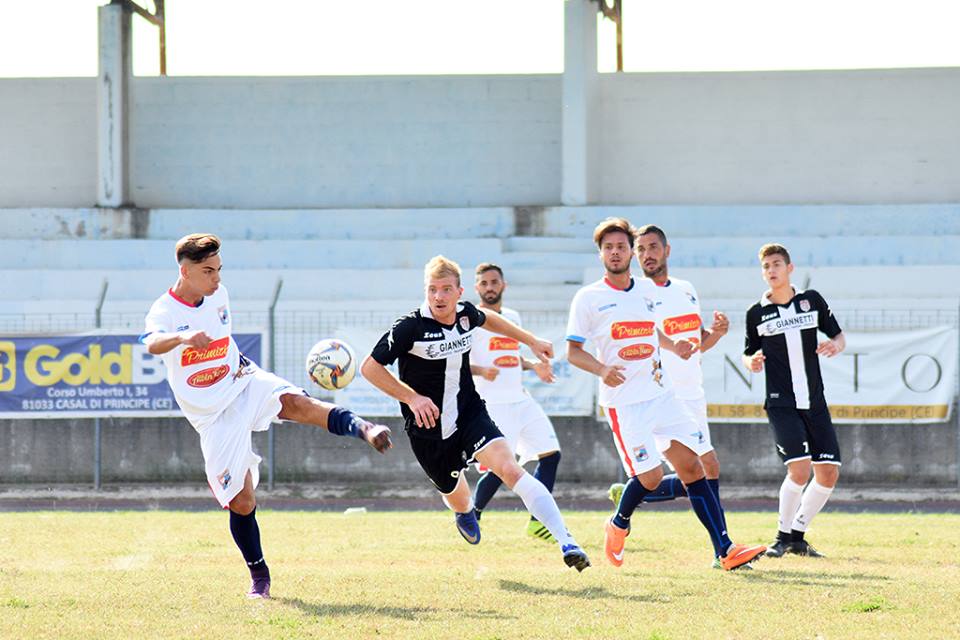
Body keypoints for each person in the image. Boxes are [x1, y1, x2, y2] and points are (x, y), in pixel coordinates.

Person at [140, 234, 392, 599]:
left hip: (243, 380)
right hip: (212, 416)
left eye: (219, 270)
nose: (217, 279)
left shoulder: (219, 296)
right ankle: (259, 575)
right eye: (208, 271)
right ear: (185, 271)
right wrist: (181, 339)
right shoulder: (164, 311)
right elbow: (150, 342)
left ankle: (365, 428)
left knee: (295, 404)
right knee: (242, 501)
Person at [360, 255, 590, 571]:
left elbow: (489, 319)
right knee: (456, 496)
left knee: (510, 468)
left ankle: (567, 541)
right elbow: (370, 368)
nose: (438, 297)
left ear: (459, 291)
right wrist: (411, 398)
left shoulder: (467, 315)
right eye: (432, 290)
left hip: (470, 413)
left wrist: (531, 340)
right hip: (428, 429)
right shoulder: (409, 327)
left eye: (445, 289)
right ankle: (465, 510)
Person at [565, 218, 765, 571]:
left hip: (662, 395)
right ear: (601, 254)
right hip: (625, 404)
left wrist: (676, 346)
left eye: (621, 246)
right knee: (651, 478)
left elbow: (651, 330)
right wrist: (602, 370)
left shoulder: (646, 290)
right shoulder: (588, 298)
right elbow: (573, 352)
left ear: (630, 251)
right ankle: (619, 521)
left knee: (695, 465)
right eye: (608, 247)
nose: (615, 252)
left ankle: (726, 550)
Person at [607, 224, 733, 567]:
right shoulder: (637, 293)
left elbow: (695, 344)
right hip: (664, 397)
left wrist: (717, 335)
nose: (647, 255)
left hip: (694, 392)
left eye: (652, 247)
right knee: (705, 466)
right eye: (641, 249)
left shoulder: (686, 289)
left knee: (702, 469)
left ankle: (633, 495)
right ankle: (723, 549)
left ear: (667, 250)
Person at [743, 243, 845, 558]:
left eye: (776, 264)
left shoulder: (811, 301)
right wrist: (753, 362)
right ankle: (781, 537)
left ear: (790, 268)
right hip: (781, 403)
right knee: (799, 470)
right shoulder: (756, 312)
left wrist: (835, 346)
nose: (771, 270)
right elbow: (748, 354)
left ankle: (798, 536)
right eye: (766, 267)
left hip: (814, 401)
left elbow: (838, 336)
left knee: (828, 473)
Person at [469, 263, 562, 542]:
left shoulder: (512, 317)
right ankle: (472, 514)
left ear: (503, 285)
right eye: (484, 283)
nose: (489, 287)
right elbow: (457, 364)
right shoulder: (470, 321)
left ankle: (537, 521)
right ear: (477, 288)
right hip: (494, 404)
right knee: (502, 467)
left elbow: (511, 357)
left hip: (522, 399)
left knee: (551, 455)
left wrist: (533, 365)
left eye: (494, 282)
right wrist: (481, 371)